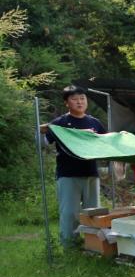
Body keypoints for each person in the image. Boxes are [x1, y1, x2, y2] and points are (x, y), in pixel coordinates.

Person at [41, 85, 107, 247]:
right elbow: (43, 143)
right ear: (66, 103)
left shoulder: (95, 123)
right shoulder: (60, 123)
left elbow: (106, 144)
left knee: (93, 212)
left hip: (91, 173)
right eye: (75, 99)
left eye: (82, 99)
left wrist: (120, 136)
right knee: (70, 213)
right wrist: (40, 131)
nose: (79, 102)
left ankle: (93, 246)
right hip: (68, 174)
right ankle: (70, 246)